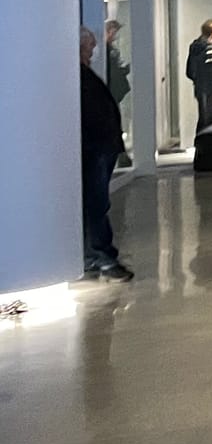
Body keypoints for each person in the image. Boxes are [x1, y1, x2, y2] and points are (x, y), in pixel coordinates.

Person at [79, 26, 132, 281]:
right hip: (94, 149)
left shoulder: (83, 75)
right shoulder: (78, 77)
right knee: (96, 204)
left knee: (95, 204)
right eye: (89, 45)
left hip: (99, 148)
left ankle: (93, 256)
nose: (93, 50)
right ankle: (102, 257)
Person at [185, 19, 212, 137]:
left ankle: (200, 144)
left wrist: (198, 81)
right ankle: (210, 145)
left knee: (203, 119)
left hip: (200, 89)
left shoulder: (194, 48)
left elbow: (189, 72)